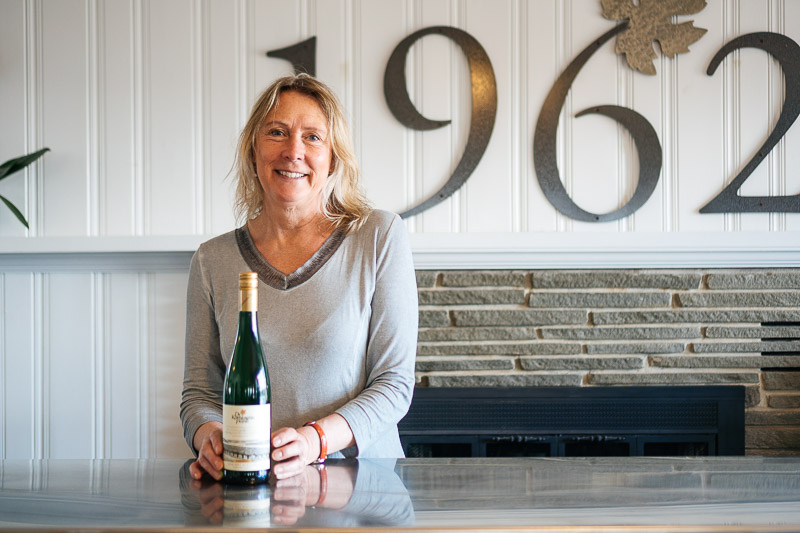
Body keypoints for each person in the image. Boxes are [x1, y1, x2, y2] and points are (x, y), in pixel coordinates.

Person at [180, 73, 418, 481]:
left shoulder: (378, 237)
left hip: (364, 493)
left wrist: (315, 440)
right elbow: (199, 395)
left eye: (312, 137)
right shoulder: (212, 260)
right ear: (253, 150)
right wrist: (210, 435)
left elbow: (394, 384)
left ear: (333, 158)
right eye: (277, 132)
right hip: (248, 489)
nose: (293, 151)